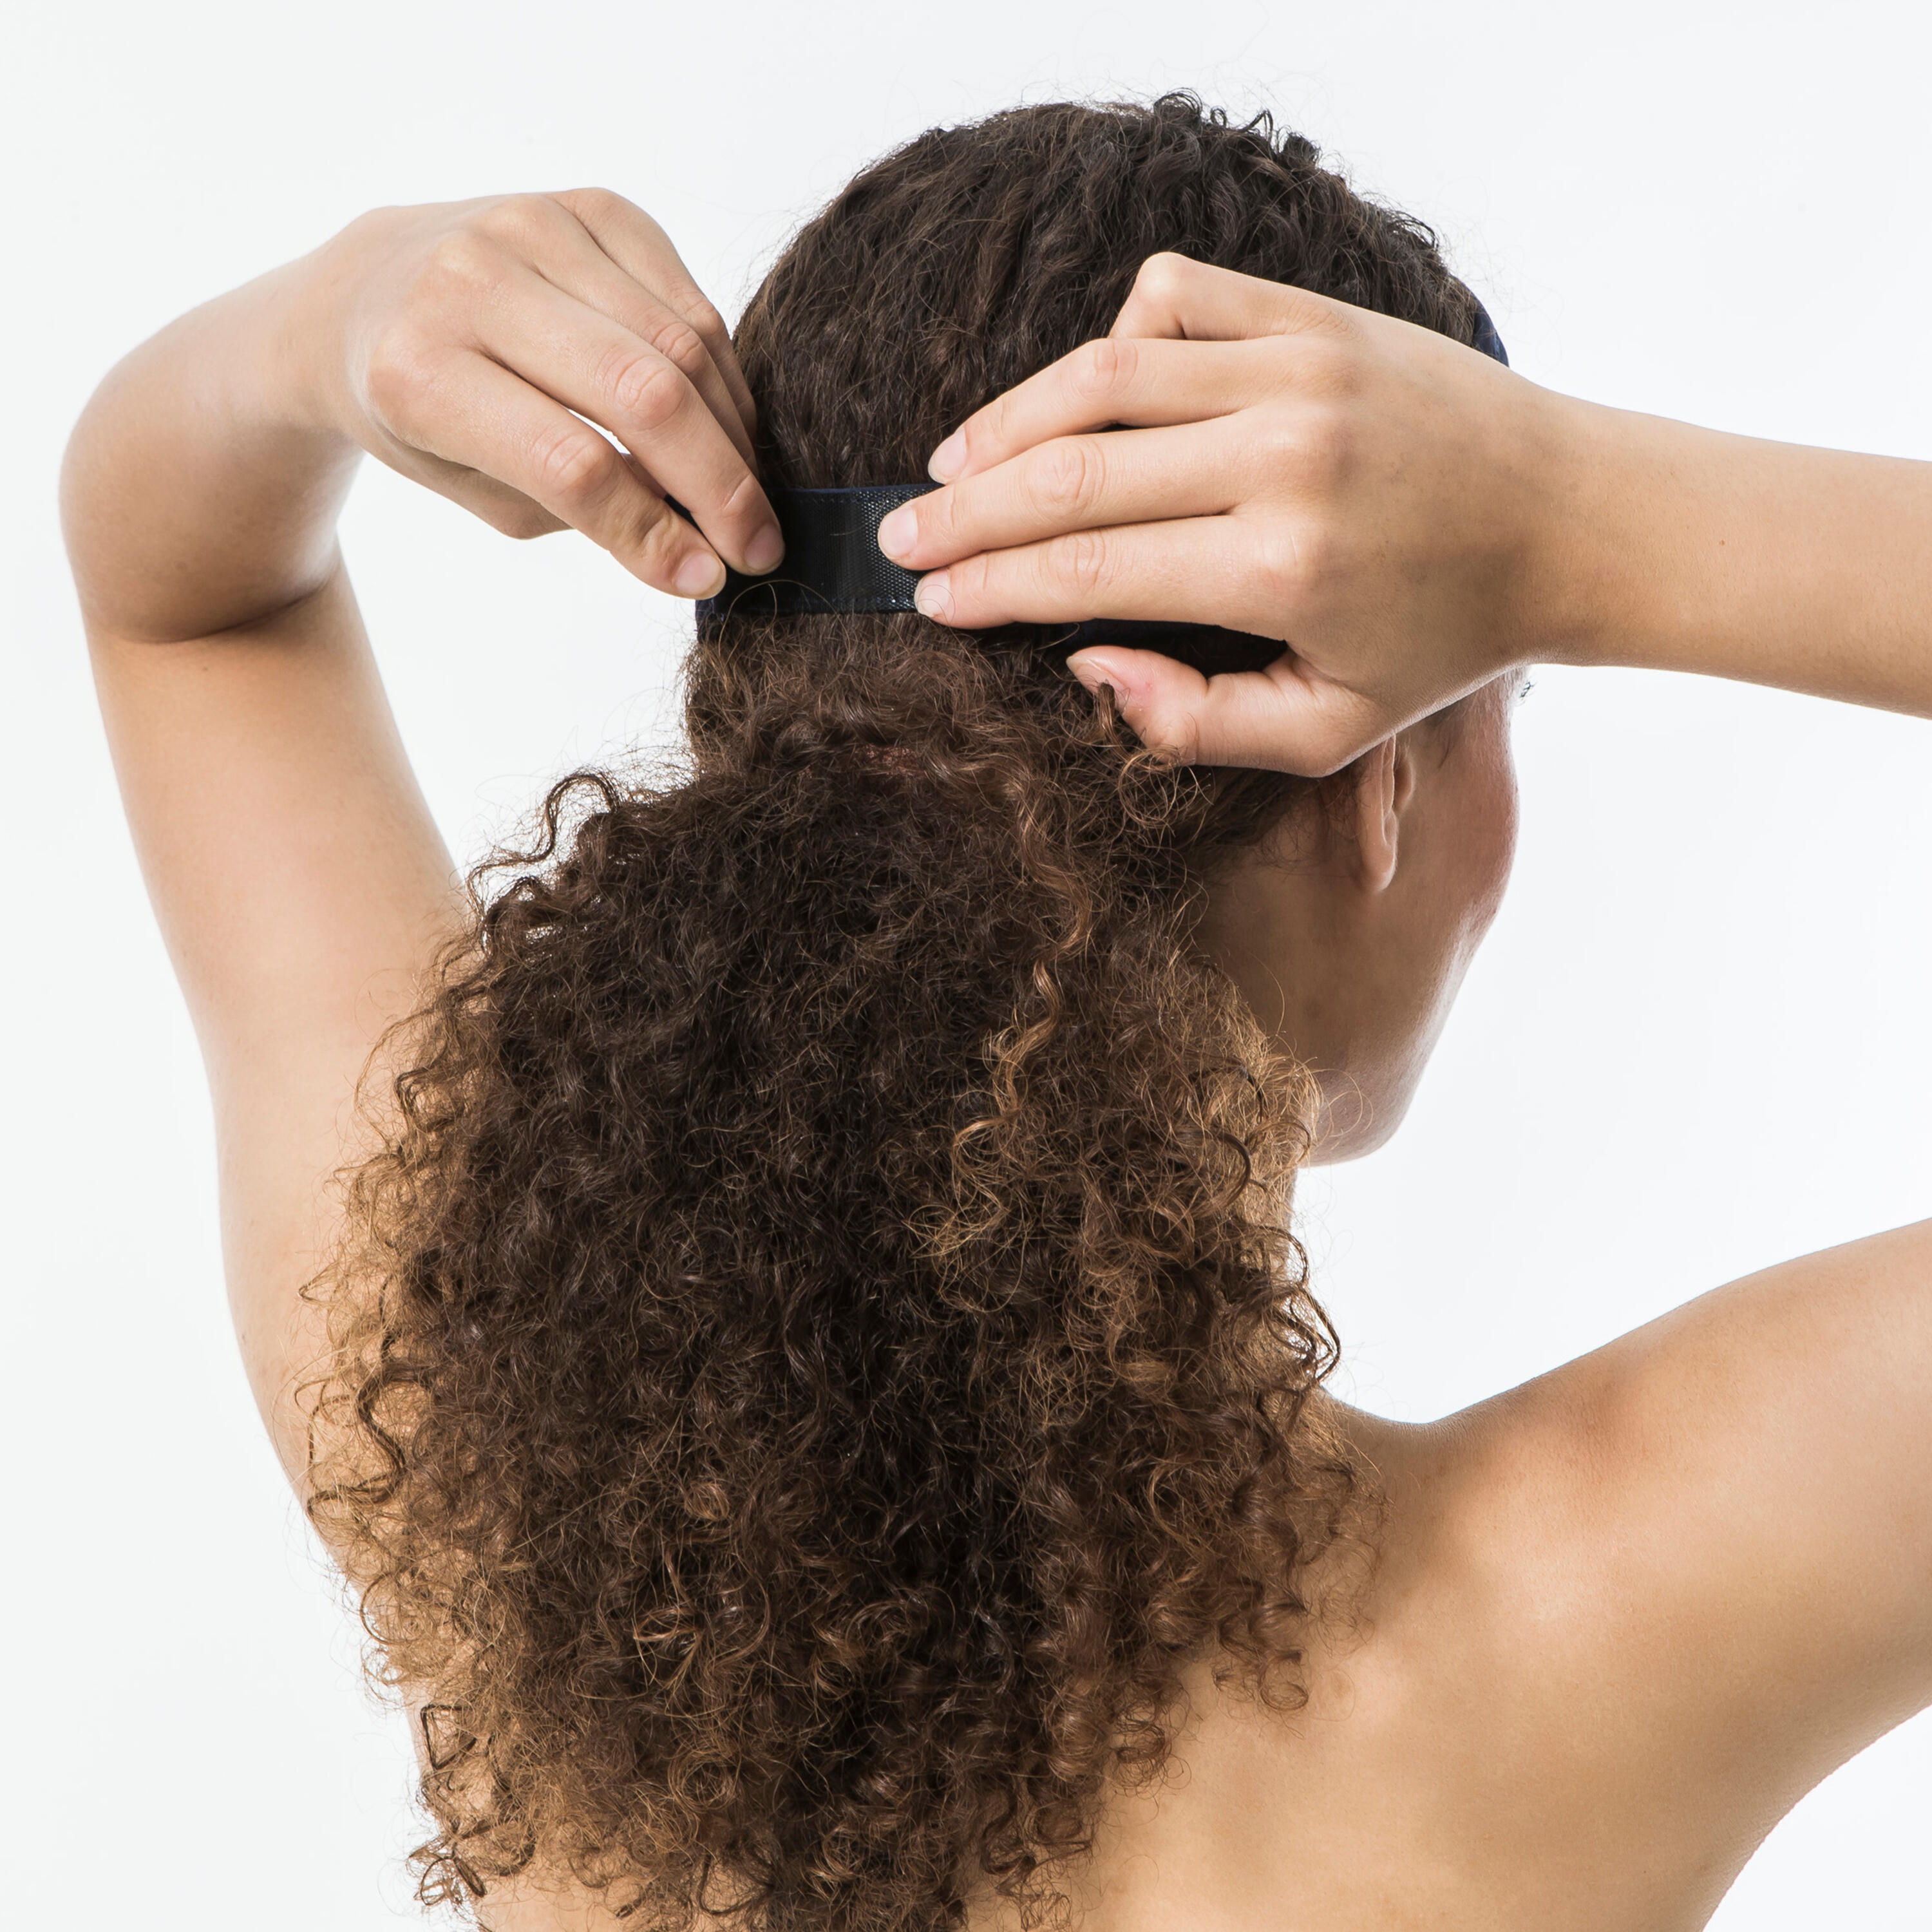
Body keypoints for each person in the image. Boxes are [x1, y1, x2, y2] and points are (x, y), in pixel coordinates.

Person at [61, 94, 1932, 1932]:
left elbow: (186, 598)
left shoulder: (486, 1492)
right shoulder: (1593, 1624)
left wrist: (340, 312)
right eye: (1510, 689)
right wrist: (1587, 523)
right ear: (1382, 789)